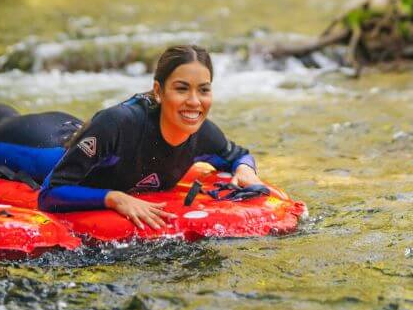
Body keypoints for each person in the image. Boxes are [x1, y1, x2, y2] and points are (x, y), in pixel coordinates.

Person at [29, 44, 274, 229]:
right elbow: (49, 195)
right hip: (38, 142)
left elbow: (239, 155)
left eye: (204, 90)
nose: (194, 101)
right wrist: (114, 199)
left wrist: (246, 170)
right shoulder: (118, 124)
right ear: (158, 91)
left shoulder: (204, 134)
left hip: (74, 131)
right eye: (181, 88)